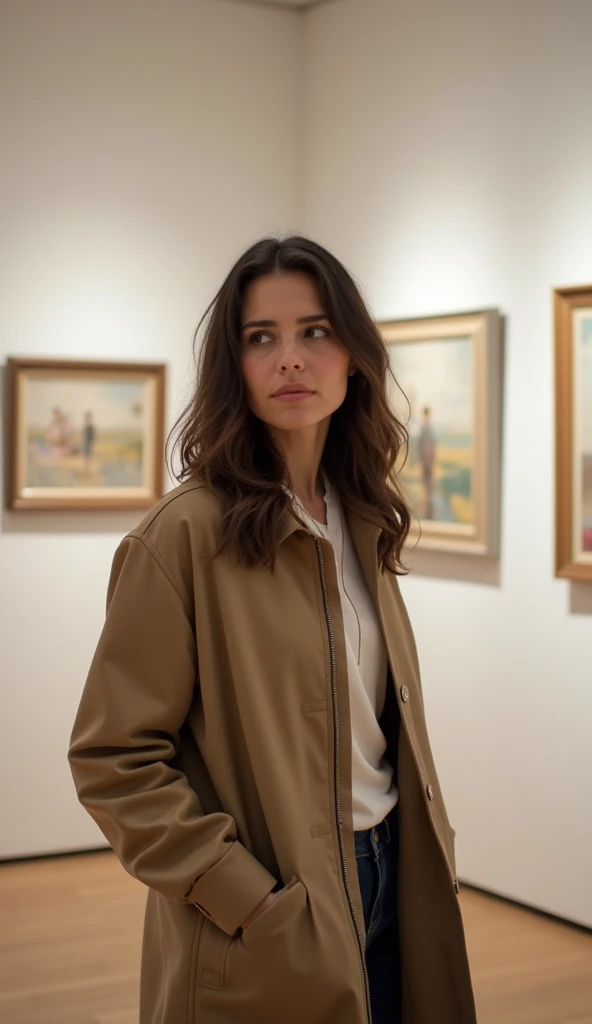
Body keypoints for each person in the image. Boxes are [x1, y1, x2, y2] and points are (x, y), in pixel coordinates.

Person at [68, 236, 477, 1024]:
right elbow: (112, 758)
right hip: (277, 902)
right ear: (237, 365)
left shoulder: (361, 517)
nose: (291, 358)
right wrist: (244, 898)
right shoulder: (183, 536)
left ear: (352, 355)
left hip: (394, 873)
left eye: (315, 332)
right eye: (263, 338)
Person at [418, 405, 437, 519]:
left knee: (428, 484)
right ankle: (426, 507)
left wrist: (433, 460)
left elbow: (433, 446)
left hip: (428, 461)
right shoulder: (425, 428)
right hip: (425, 460)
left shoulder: (429, 428)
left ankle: (429, 509)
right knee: (425, 484)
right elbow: (421, 446)